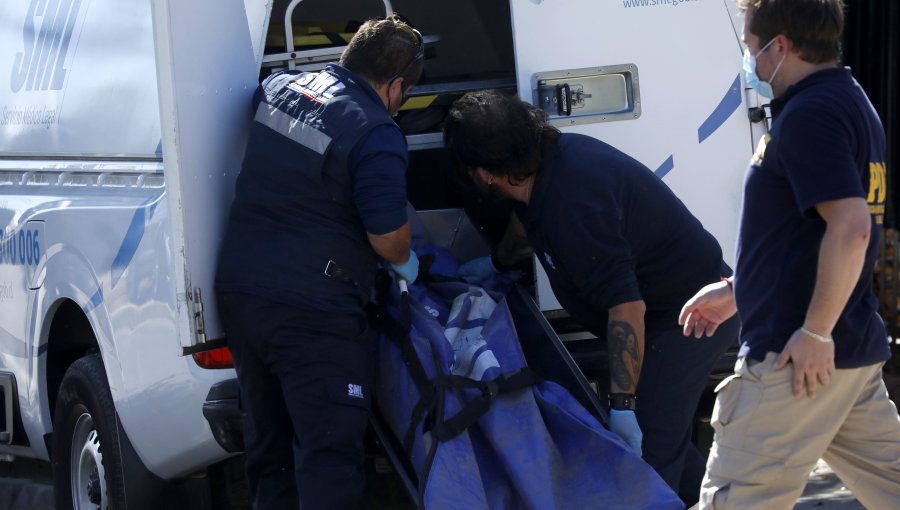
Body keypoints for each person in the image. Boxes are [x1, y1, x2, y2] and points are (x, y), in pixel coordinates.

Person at [444, 89, 740, 506]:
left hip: (691, 315)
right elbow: (525, 223)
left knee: (647, 454)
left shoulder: (574, 204)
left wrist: (622, 405)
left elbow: (627, 309)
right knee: (668, 442)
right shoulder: (538, 169)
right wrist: (497, 263)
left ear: (485, 172)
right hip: (660, 312)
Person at [678, 1, 900, 508]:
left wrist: (815, 331)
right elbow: (803, 235)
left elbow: (850, 229)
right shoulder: (845, 99)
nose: (749, 61)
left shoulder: (810, 115)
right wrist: (741, 291)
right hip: (846, 354)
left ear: (781, 46)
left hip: (795, 361)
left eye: (751, 47)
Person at [214, 16, 423, 510]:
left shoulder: (280, 88)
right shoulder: (376, 132)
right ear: (395, 86)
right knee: (328, 453)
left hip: (244, 295)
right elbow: (389, 238)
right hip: (312, 314)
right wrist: (407, 262)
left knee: (270, 453)